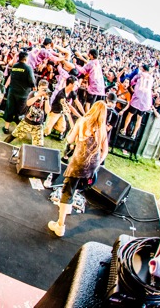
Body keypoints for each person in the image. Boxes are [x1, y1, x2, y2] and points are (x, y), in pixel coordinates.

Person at [48, 101, 108, 237]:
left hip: (78, 163)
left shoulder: (82, 121)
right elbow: (105, 151)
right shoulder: (102, 129)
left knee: (66, 192)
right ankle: (68, 207)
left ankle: (60, 226)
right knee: (77, 186)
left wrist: (72, 132)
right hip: (92, 167)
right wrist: (97, 164)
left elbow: (70, 140)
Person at [5, 79, 51, 146]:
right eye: (43, 89)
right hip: (27, 121)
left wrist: (47, 99)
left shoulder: (46, 97)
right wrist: (38, 96)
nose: (44, 91)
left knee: (39, 145)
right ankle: (2, 145)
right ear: (38, 87)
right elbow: (28, 103)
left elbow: (47, 111)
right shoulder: (33, 93)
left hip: (38, 125)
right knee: (13, 135)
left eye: (45, 89)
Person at [1, 51, 36, 134]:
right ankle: (18, 130)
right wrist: (34, 87)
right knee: (20, 112)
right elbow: (32, 81)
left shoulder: (15, 66)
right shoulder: (28, 68)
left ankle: (6, 128)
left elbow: (11, 77)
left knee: (10, 109)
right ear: (26, 59)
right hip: (23, 94)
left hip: (12, 91)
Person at [121, 63, 153, 138]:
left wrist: (132, 89)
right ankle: (134, 134)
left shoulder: (139, 75)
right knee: (139, 118)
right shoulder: (151, 78)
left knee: (130, 114)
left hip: (137, 98)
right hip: (146, 100)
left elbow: (131, 82)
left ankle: (124, 130)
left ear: (143, 69)